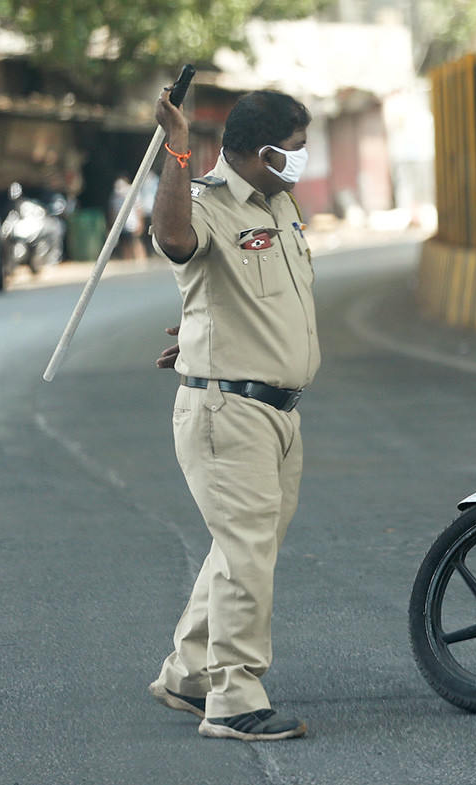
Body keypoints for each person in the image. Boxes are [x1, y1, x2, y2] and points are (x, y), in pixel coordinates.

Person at [148, 88, 319, 741]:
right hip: (229, 408)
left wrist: (201, 328)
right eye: (296, 150)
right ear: (262, 150)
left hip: (277, 410)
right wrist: (177, 145)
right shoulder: (206, 202)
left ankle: (188, 672)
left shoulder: (281, 204)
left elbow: (250, 297)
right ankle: (233, 697)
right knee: (247, 548)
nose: (302, 162)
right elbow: (171, 237)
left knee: (245, 544)